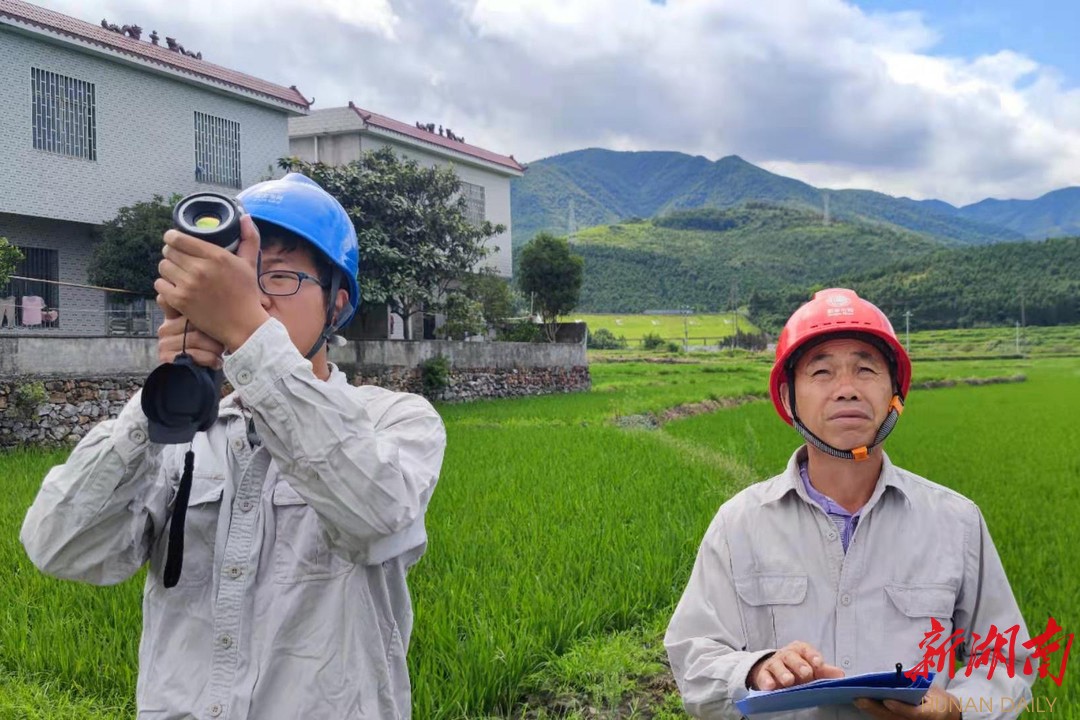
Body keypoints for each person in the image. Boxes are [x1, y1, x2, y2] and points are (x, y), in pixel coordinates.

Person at [20, 173, 446, 719]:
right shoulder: (179, 434)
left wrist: (247, 332)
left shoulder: (394, 421)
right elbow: (60, 547)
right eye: (240, 277)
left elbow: (378, 518)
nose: (256, 296)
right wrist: (165, 395)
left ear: (337, 304)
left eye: (280, 277)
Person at [664, 288, 1035, 720]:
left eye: (865, 369)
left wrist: (956, 709)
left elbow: (1007, 661)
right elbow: (694, 658)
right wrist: (755, 668)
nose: (846, 390)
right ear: (788, 399)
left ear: (895, 392)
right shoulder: (739, 524)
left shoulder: (957, 522)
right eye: (822, 372)